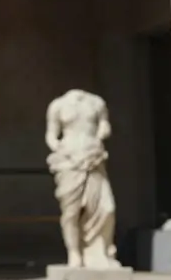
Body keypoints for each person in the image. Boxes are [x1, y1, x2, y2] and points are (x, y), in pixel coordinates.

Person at [45, 89, 120, 268]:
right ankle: (74, 252)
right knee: (71, 212)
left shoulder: (96, 102)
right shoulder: (58, 105)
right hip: (69, 160)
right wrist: (61, 150)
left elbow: (104, 125)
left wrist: (101, 134)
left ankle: (100, 252)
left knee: (107, 208)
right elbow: (51, 135)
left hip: (93, 156)